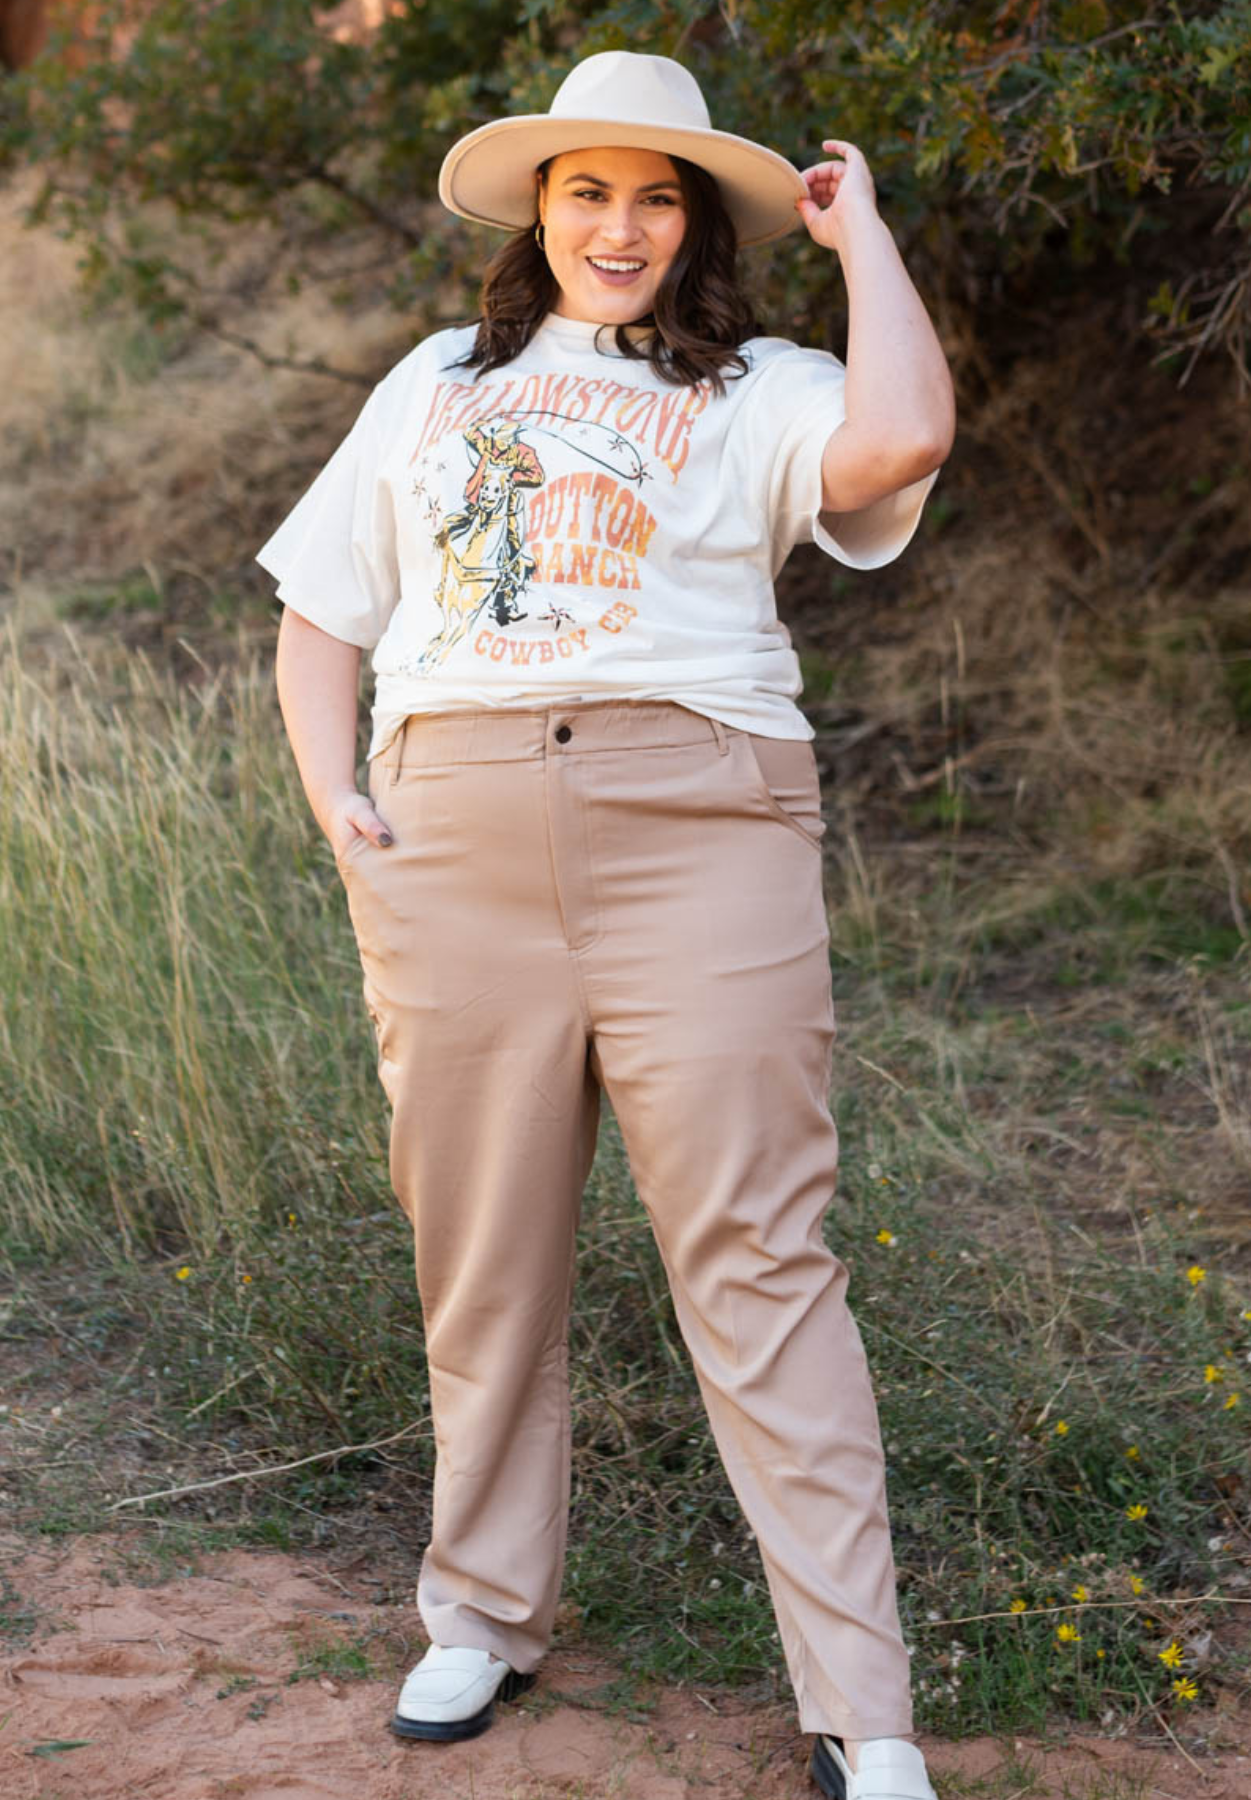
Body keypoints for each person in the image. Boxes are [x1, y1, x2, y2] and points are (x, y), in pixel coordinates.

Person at [258, 48, 954, 1800]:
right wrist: (333, 797)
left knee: (761, 1260)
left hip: (698, 821)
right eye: (589, 191)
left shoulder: (769, 384)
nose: (620, 226)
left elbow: (907, 434)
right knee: (480, 1257)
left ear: (699, 224)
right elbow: (323, 606)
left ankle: (862, 1709)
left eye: (656, 196)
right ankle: (480, 1613)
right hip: (457, 829)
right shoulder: (436, 379)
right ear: (540, 213)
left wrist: (860, 231)